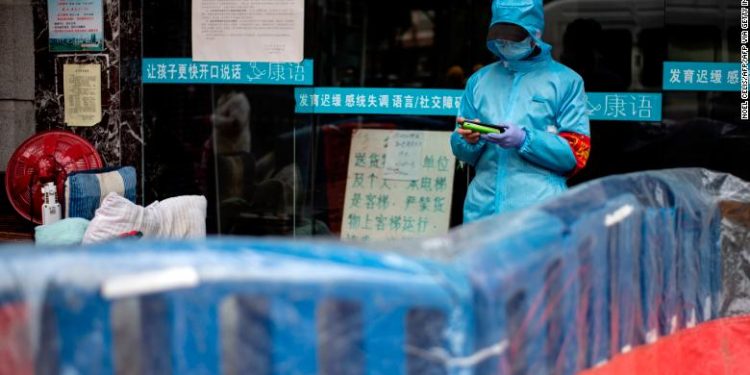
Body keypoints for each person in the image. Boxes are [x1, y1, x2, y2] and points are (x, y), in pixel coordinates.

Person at [451, 0, 591, 223]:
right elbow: (461, 150)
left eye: (513, 36)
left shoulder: (567, 81)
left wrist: (525, 139)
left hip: (538, 215)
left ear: (535, 33)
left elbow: (575, 154)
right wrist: (468, 140)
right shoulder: (478, 81)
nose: (505, 42)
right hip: (481, 212)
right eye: (500, 36)